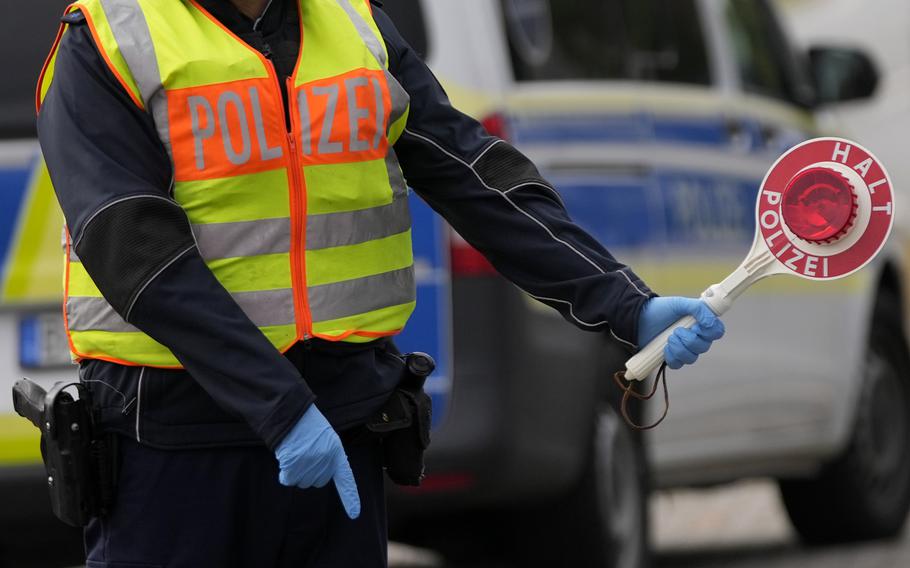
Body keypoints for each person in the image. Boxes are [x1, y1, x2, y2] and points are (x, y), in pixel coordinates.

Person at [35, 0, 725, 566]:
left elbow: (475, 174)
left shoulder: (355, 25)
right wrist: (278, 407)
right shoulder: (108, 38)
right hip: (178, 441)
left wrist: (624, 303)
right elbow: (131, 247)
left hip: (339, 424)